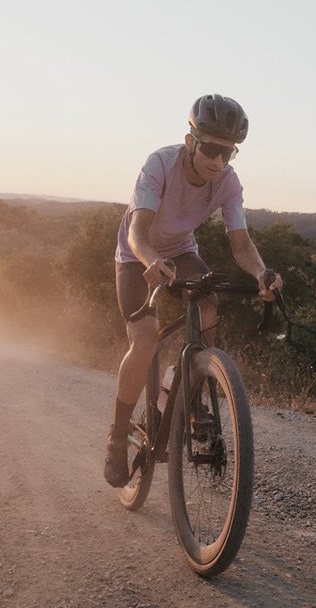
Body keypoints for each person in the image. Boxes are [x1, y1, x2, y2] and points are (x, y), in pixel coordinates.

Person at [104, 93, 283, 488]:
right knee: (146, 338)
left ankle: (187, 387)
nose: (218, 161)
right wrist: (150, 259)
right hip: (137, 255)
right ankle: (117, 437)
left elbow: (241, 245)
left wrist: (261, 274)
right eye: (212, 149)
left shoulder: (228, 183)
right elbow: (138, 230)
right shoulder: (159, 165)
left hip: (182, 252)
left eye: (229, 152)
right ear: (191, 141)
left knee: (209, 312)